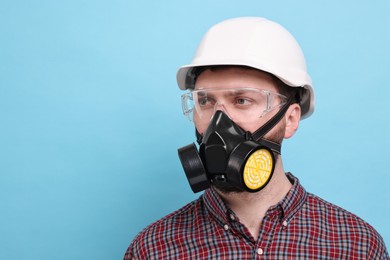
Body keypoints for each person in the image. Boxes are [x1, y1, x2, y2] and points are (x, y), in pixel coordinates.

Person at [124, 17, 388, 259]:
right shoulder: (152, 249)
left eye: (242, 100)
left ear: (291, 119)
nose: (219, 120)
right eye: (205, 101)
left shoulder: (357, 246)